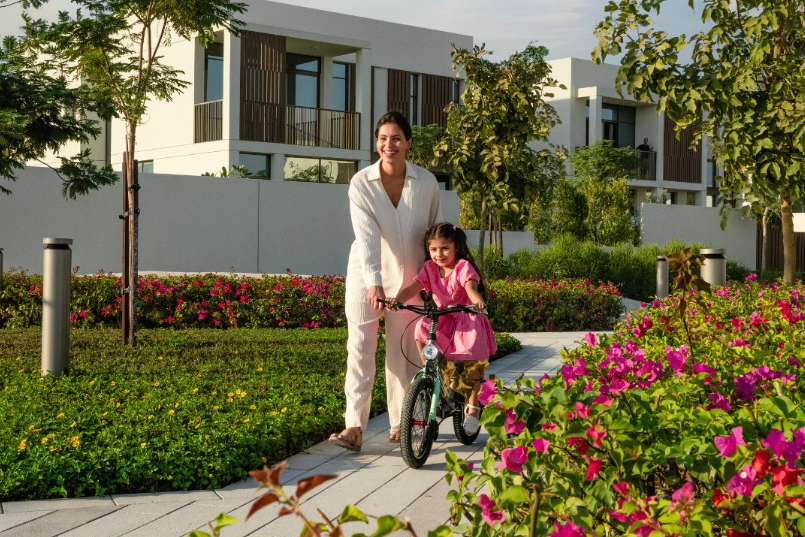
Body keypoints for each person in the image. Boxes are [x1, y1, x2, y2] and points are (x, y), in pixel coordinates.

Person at [328, 110, 441, 452]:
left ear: (408, 142)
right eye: (382, 138)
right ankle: (353, 427)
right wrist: (374, 283)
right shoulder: (361, 183)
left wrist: (433, 279)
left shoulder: (427, 183)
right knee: (360, 348)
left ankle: (400, 424)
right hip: (366, 274)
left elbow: (432, 233)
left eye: (395, 138)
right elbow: (366, 237)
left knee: (404, 349)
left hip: (409, 278)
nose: (388, 145)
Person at [392, 223, 497, 435]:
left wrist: (477, 302)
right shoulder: (429, 269)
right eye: (433, 249)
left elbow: (470, 287)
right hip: (443, 318)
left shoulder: (462, 267)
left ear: (456, 246)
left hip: (467, 317)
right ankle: (430, 370)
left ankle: (473, 408)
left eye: (445, 248)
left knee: (473, 359)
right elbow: (415, 287)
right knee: (421, 327)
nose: (439, 254)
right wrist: (397, 300)